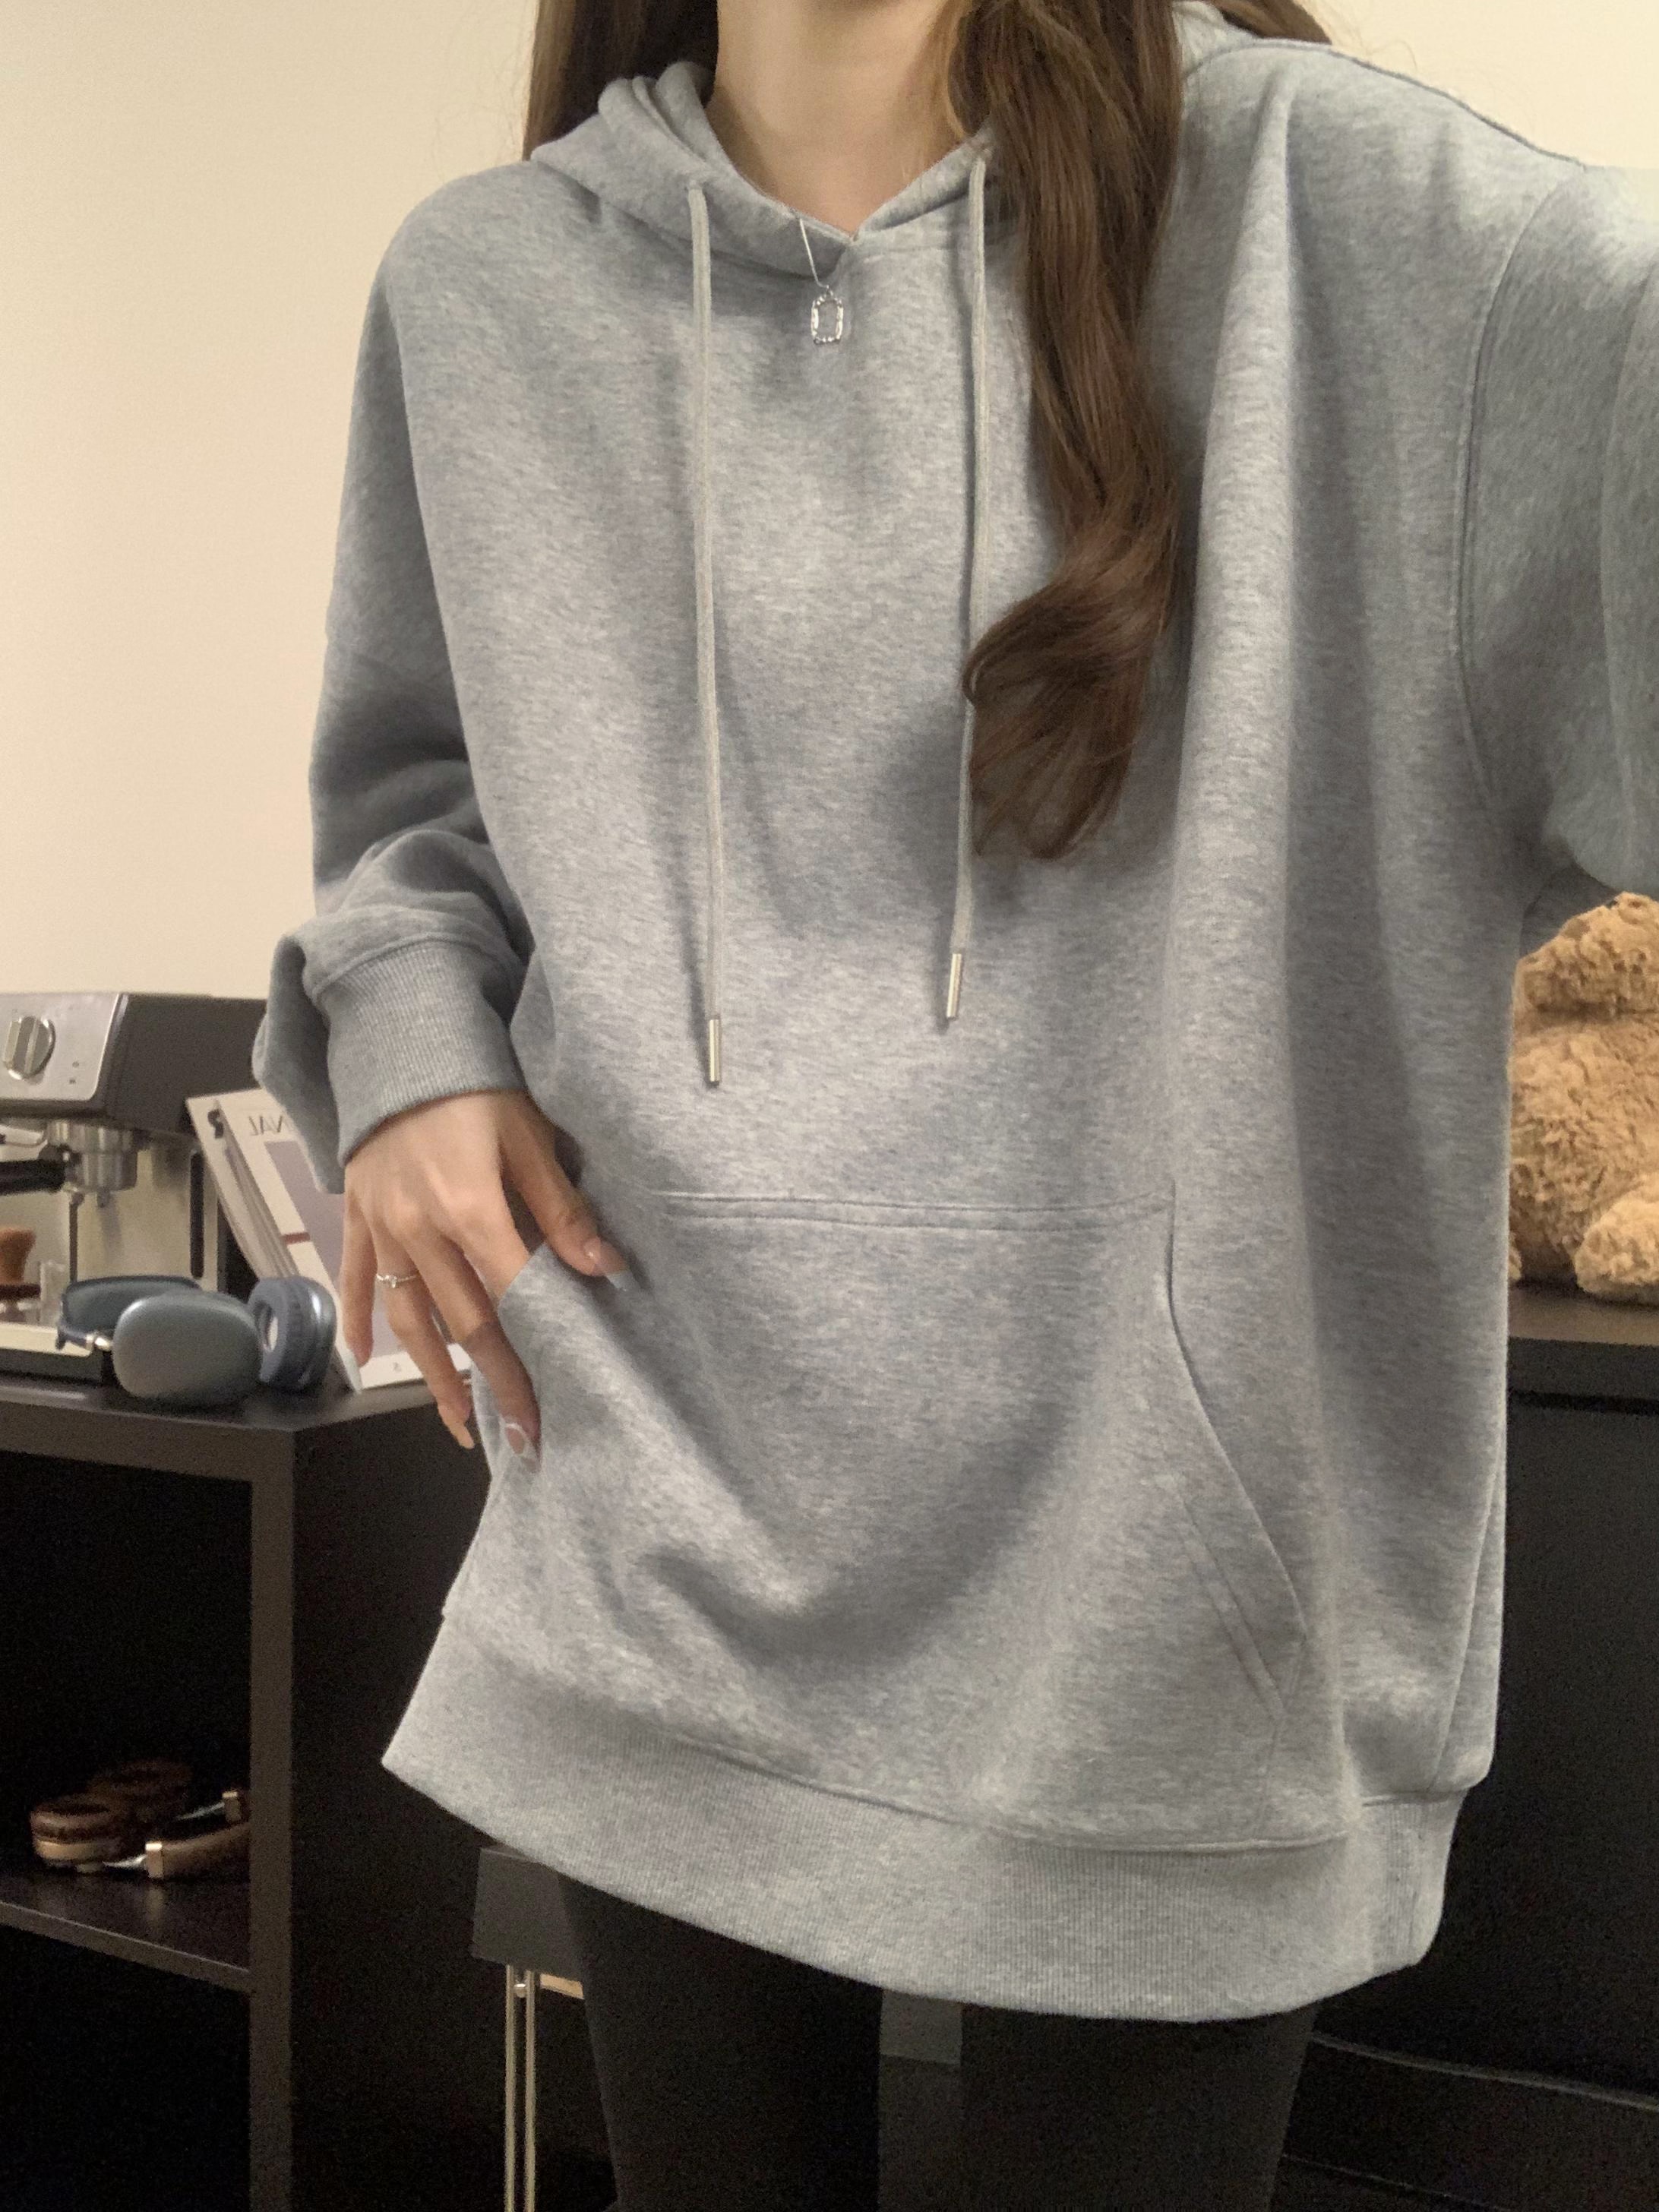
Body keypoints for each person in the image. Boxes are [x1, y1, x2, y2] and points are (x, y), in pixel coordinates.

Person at [251, 2, 1659, 2204]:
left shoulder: (1362, 222)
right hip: (663, 1512)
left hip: (1171, 1602)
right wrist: (406, 1045)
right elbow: (417, 797)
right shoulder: (488, 284)